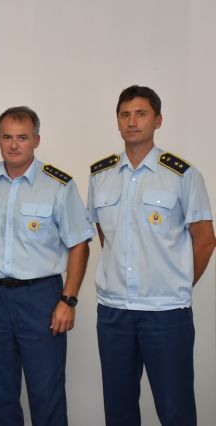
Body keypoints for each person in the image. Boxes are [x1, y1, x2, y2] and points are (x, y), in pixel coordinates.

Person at [87, 85, 216, 426]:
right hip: (114, 311)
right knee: (119, 412)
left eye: (141, 114)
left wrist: (176, 282)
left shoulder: (182, 175)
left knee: (175, 412)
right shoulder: (100, 176)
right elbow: (106, 234)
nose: (132, 121)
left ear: (158, 120)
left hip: (165, 313)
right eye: (125, 114)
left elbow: (205, 241)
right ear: (117, 121)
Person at [0, 106, 94, 425]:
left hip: (41, 299)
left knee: (46, 391)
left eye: (22, 138)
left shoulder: (58, 185)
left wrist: (68, 300)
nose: (14, 145)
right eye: (7, 137)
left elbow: (79, 244)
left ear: (36, 140)